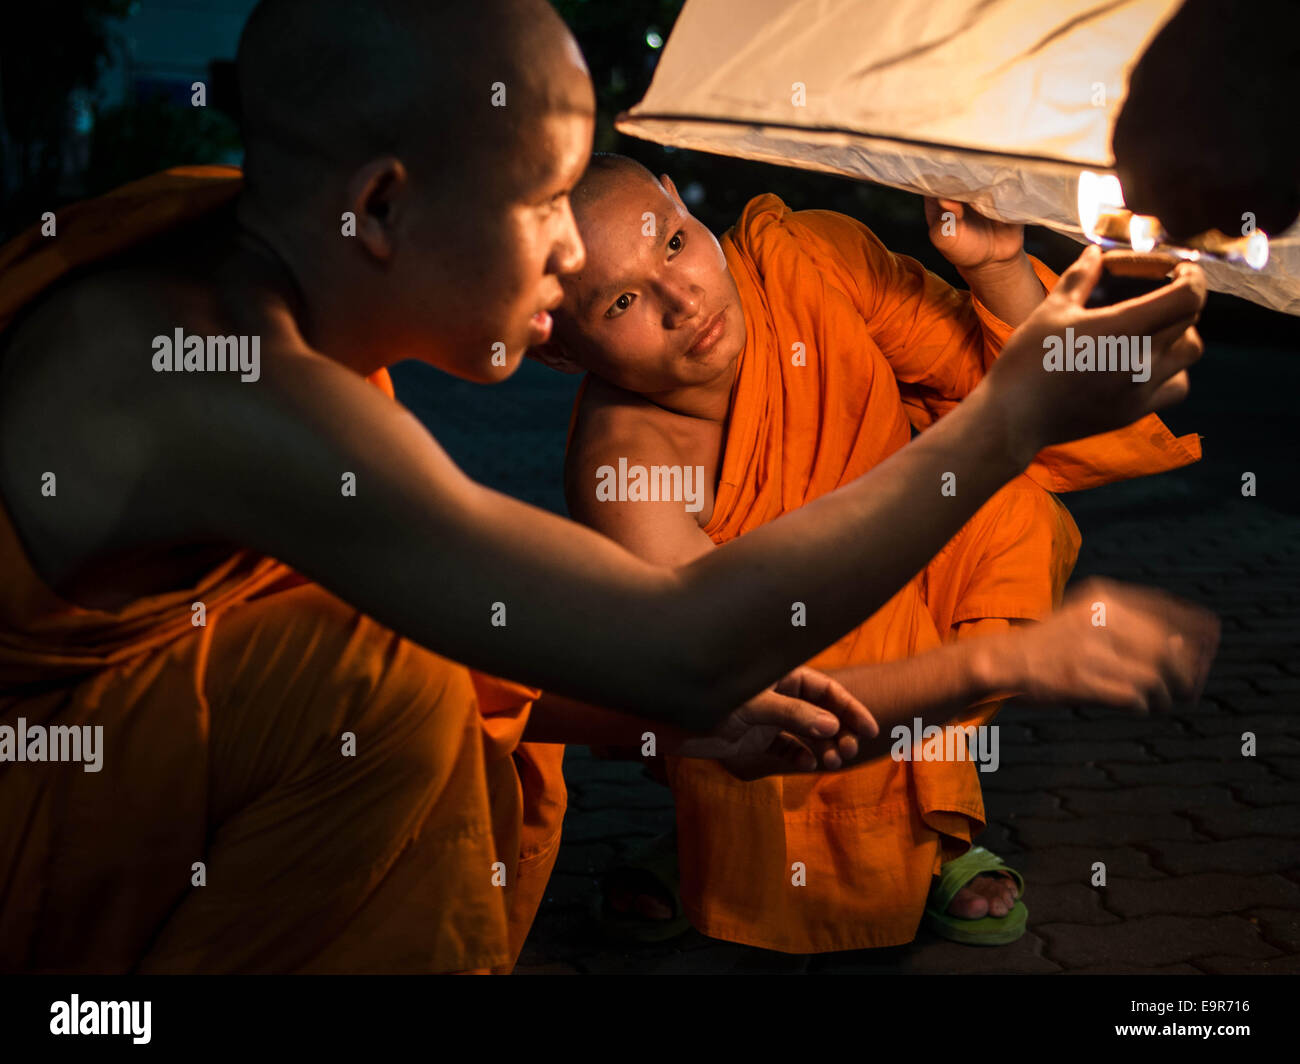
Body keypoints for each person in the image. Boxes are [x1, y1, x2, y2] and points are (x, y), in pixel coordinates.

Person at [0, 1, 1213, 973]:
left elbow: (556, 658)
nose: (579, 256)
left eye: (661, 235)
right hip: (44, 797)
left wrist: (675, 720)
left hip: (126, 748)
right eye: (544, 206)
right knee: (383, 681)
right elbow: (671, 647)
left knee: (394, 663)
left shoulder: (264, 296)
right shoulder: (220, 373)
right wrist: (1009, 440)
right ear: (378, 206)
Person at [542, 154, 1217, 951]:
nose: (682, 301)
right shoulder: (627, 470)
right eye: (621, 301)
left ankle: (930, 830)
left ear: (675, 198)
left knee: (1012, 516)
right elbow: (728, 689)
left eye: (675, 245)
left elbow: (1006, 388)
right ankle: (706, 840)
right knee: (738, 733)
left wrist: (998, 268)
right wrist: (1012, 660)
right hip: (773, 671)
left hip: (896, 580)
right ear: (556, 346)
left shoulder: (808, 260)